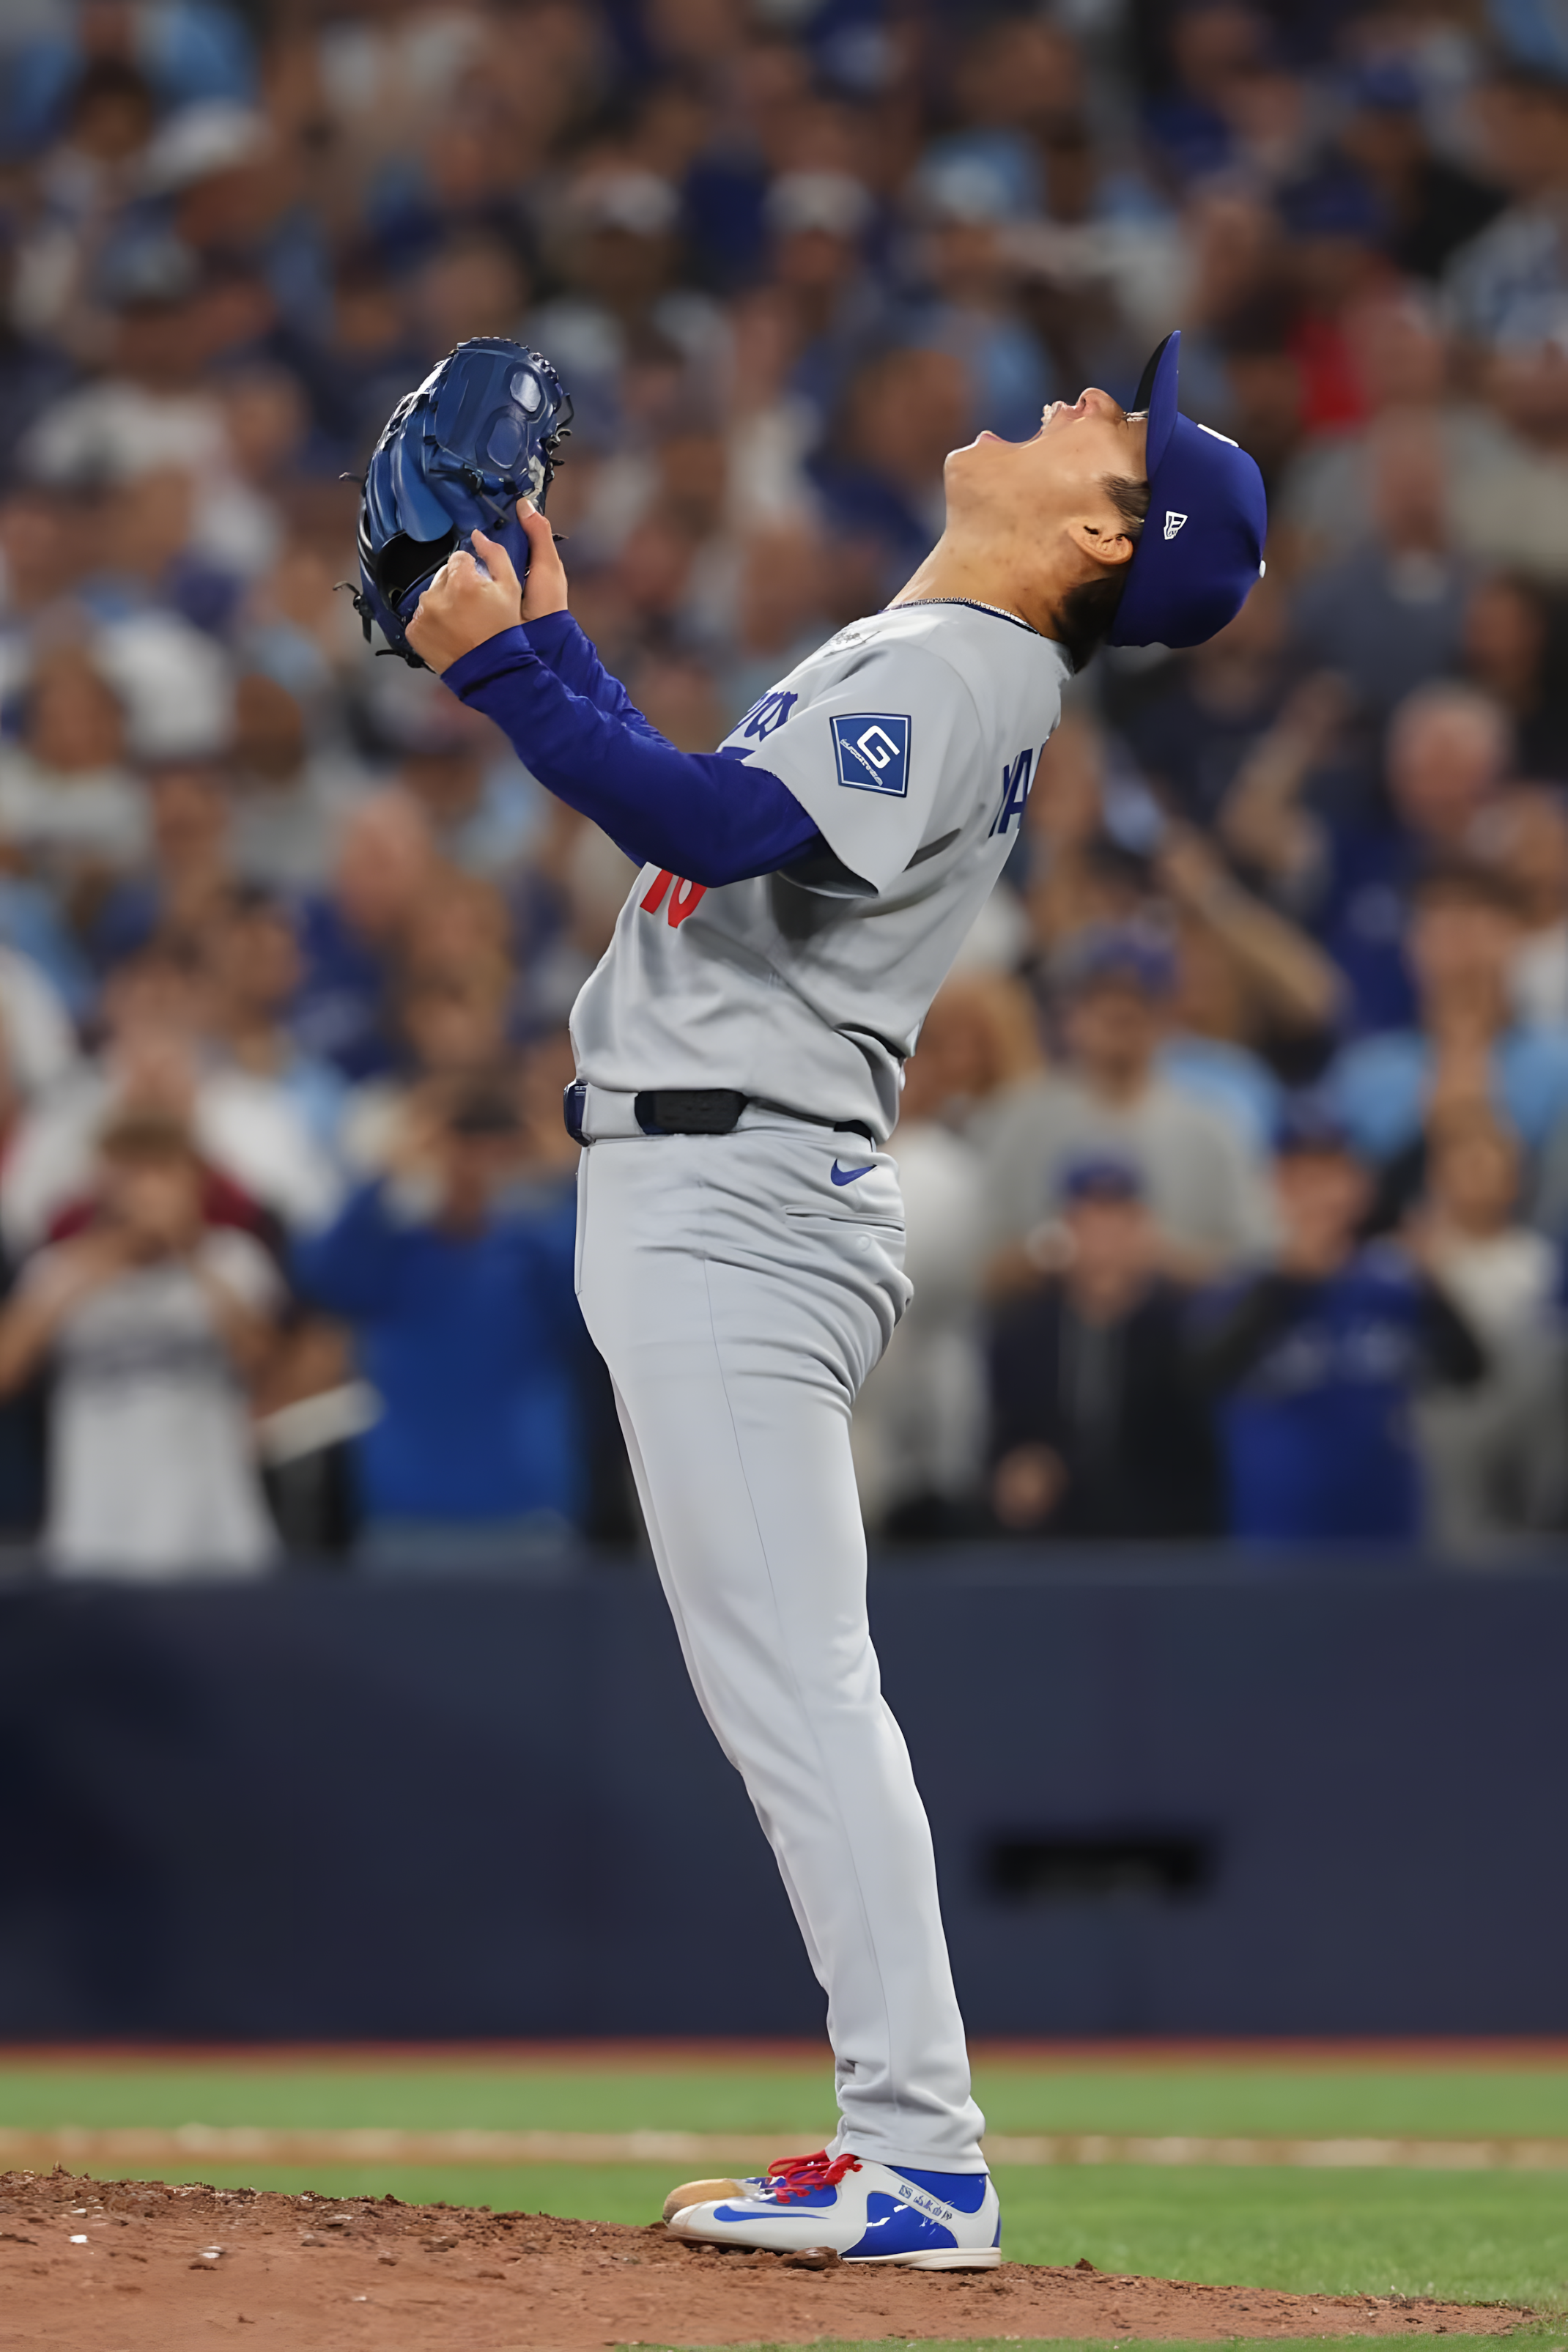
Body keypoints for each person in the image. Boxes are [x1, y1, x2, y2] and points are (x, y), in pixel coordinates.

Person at [394, 329, 1265, 2261]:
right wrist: (556, 648)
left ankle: (920, 2156)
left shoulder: (959, 662)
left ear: (1104, 534)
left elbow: (712, 832)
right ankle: (903, 2134)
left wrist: (503, 675)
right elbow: (728, 826)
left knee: (797, 1685)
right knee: (793, 1681)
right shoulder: (948, 649)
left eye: (1113, 429)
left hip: (737, 1190)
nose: (1078, 404)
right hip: (730, 1171)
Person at [291, 1079, 583, 1568]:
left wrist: (565, 1176)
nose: (475, 1166)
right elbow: (322, 1276)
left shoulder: (537, 1256)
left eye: (495, 1151)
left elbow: (594, 1298)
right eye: (460, 1146)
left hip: (525, 1510)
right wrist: (386, 1171)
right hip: (408, 1515)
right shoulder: (391, 1258)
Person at [0, 1108, 281, 1577]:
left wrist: (188, 1255)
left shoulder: (233, 1260)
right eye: (132, 1175)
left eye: (162, 1174)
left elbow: (267, 1369)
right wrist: (89, 1267)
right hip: (96, 1535)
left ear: (194, 1184)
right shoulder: (59, 1267)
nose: (148, 1193)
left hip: (216, 1538)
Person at [1197, 1106, 1484, 1545]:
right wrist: (1285, 1285)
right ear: (1275, 1189)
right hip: (1278, 1547)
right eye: (1301, 1180)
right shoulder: (1240, 1290)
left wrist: (1433, 1288)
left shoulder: (1396, 1286)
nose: (1317, 1196)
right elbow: (1200, 1378)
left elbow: (1471, 1372)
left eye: (1331, 1177)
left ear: (1359, 1188)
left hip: (1388, 1543)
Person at [983, 923, 1274, 1282]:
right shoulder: (1024, 1120)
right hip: (1044, 1313)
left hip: (1173, 1315)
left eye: (1138, 1000)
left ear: (1166, 1015)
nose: (1119, 1012)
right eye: (1102, 998)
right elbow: (980, 1269)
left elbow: (1257, 1264)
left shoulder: (1212, 1128)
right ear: (1074, 1013)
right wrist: (1054, 1252)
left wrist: (1159, 1257)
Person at [988, 1157, 1222, 1541]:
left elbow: (1196, 1457)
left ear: (1143, 1231)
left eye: (1118, 1223)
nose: (1104, 1242)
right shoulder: (1023, 1335)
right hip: (1052, 1546)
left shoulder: (1181, 1332)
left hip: (1162, 1544)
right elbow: (1004, 1445)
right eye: (1089, 1224)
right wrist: (1018, 1473)